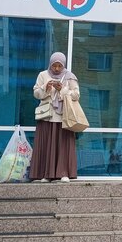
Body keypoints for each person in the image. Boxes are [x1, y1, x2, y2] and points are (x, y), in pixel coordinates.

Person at [31, 52, 79, 182]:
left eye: (59, 66)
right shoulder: (43, 75)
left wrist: (62, 89)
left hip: (63, 117)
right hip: (47, 116)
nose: (57, 68)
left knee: (63, 144)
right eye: (54, 65)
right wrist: (45, 87)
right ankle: (46, 174)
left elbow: (76, 95)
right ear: (50, 64)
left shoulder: (70, 77)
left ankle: (64, 173)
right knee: (47, 144)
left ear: (63, 65)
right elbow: (36, 93)